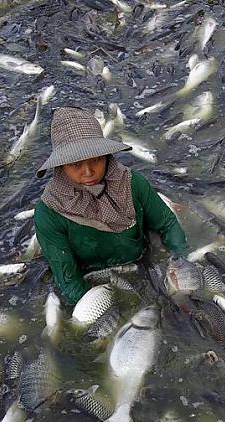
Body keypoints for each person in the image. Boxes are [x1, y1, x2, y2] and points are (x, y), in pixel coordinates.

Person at [33, 106, 187, 305]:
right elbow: (68, 280)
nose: (88, 172)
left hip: (141, 261)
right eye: (76, 164)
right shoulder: (49, 213)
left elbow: (167, 223)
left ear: (105, 156)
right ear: (61, 166)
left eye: (95, 160)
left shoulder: (132, 183)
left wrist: (180, 259)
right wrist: (101, 309)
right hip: (92, 277)